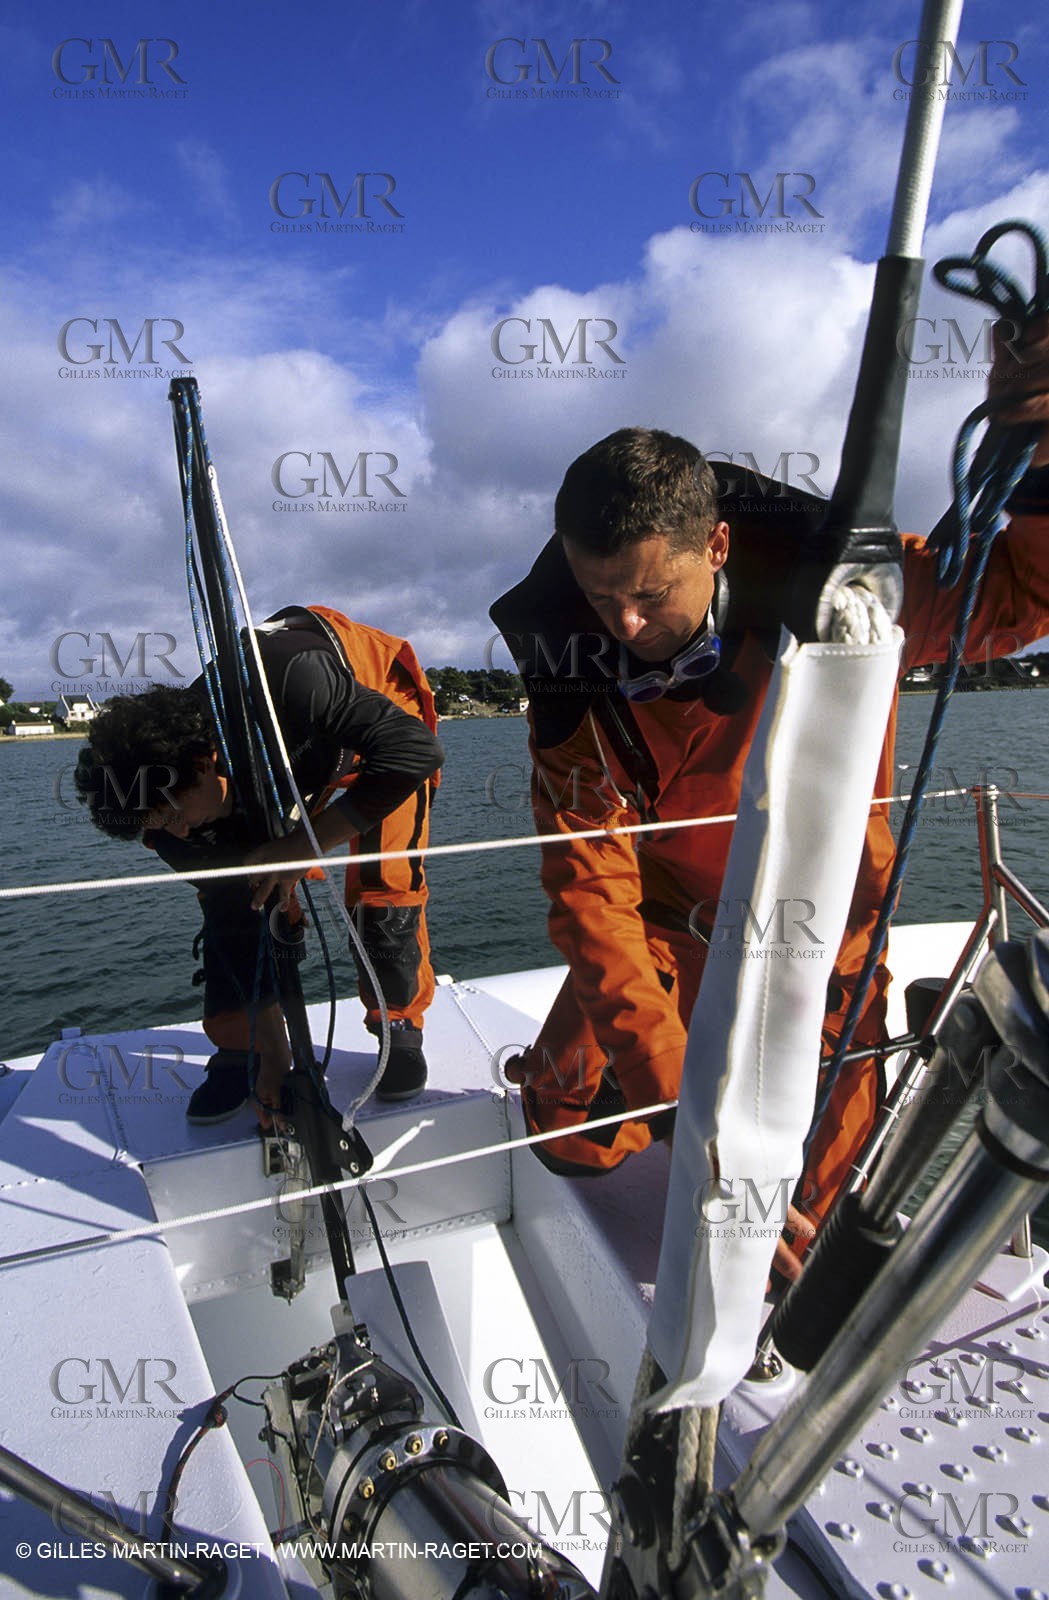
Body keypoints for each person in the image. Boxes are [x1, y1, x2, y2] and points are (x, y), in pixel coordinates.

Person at [490, 320, 1049, 1276]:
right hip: (675, 935)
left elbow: (1022, 597)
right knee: (563, 1133)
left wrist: (1036, 438)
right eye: (597, 597)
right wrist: (680, 1106)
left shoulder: (850, 584)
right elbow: (589, 892)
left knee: (809, 1221)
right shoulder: (570, 679)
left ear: (714, 543)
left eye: (648, 594)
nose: (624, 625)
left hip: (824, 941)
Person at [75, 604, 444, 1125]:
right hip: (289, 766)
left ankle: (398, 1026)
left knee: (386, 883)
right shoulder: (163, 819)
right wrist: (276, 1055)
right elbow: (234, 910)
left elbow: (414, 751)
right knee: (235, 903)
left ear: (203, 767)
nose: (175, 836)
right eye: (153, 828)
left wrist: (304, 845)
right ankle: (242, 1045)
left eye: (173, 817)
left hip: (373, 708)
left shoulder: (294, 680)